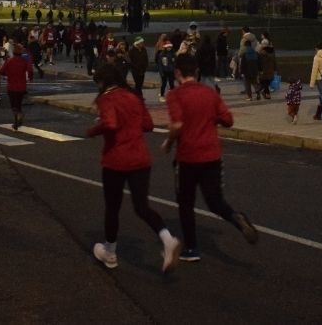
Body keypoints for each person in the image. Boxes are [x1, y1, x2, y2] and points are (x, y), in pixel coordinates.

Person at [162, 53, 259, 262]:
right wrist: (209, 116)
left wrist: (168, 143)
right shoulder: (210, 93)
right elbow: (228, 120)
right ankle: (235, 217)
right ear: (196, 71)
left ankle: (192, 248)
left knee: (186, 203)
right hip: (212, 155)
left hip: (188, 157)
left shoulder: (175, 95)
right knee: (215, 200)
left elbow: (177, 124)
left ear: (177, 72)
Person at [86, 63, 181, 273]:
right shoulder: (134, 96)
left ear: (103, 82)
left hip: (116, 160)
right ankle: (168, 239)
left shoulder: (106, 98)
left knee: (113, 207)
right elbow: (147, 125)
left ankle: (110, 252)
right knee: (142, 206)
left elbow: (110, 123)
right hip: (140, 158)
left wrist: (94, 129)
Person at [0, 44, 33, 130]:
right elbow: (30, 70)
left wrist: (7, 73)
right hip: (21, 87)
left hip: (12, 86)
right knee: (19, 104)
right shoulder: (24, 61)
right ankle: (18, 119)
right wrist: (30, 78)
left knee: (13, 106)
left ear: (13, 52)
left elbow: (1, 71)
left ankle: (17, 120)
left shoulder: (9, 61)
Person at [155, 37, 175, 102]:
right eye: (168, 47)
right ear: (165, 47)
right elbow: (160, 64)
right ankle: (162, 95)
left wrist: (174, 70)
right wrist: (161, 73)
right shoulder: (162, 54)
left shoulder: (172, 54)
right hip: (164, 72)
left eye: (170, 47)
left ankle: (173, 96)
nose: (169, 48)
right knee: (164, 84)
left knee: (172, 84)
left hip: (171, 71)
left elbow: (174, 63)